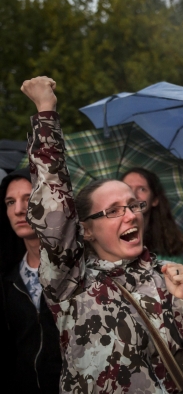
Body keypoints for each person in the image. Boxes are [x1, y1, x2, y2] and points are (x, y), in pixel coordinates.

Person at [21, 76, 183, 394]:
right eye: (112, 210)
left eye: (133, 205)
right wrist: (45, 112)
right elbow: (54, 214)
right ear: (87, 230)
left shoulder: (160, 275)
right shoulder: (73, 281)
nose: (130, 214)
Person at [1, 168, 62, 393]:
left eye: (29, 199)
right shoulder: (8, 280)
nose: (18, 210)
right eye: (10, 202)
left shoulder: (75, 272)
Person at [122, 167, 183, 264]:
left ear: (154, 200)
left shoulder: (169, 245)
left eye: (142, 189)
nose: (134, 195)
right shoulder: (107, 239)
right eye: (127, 188)